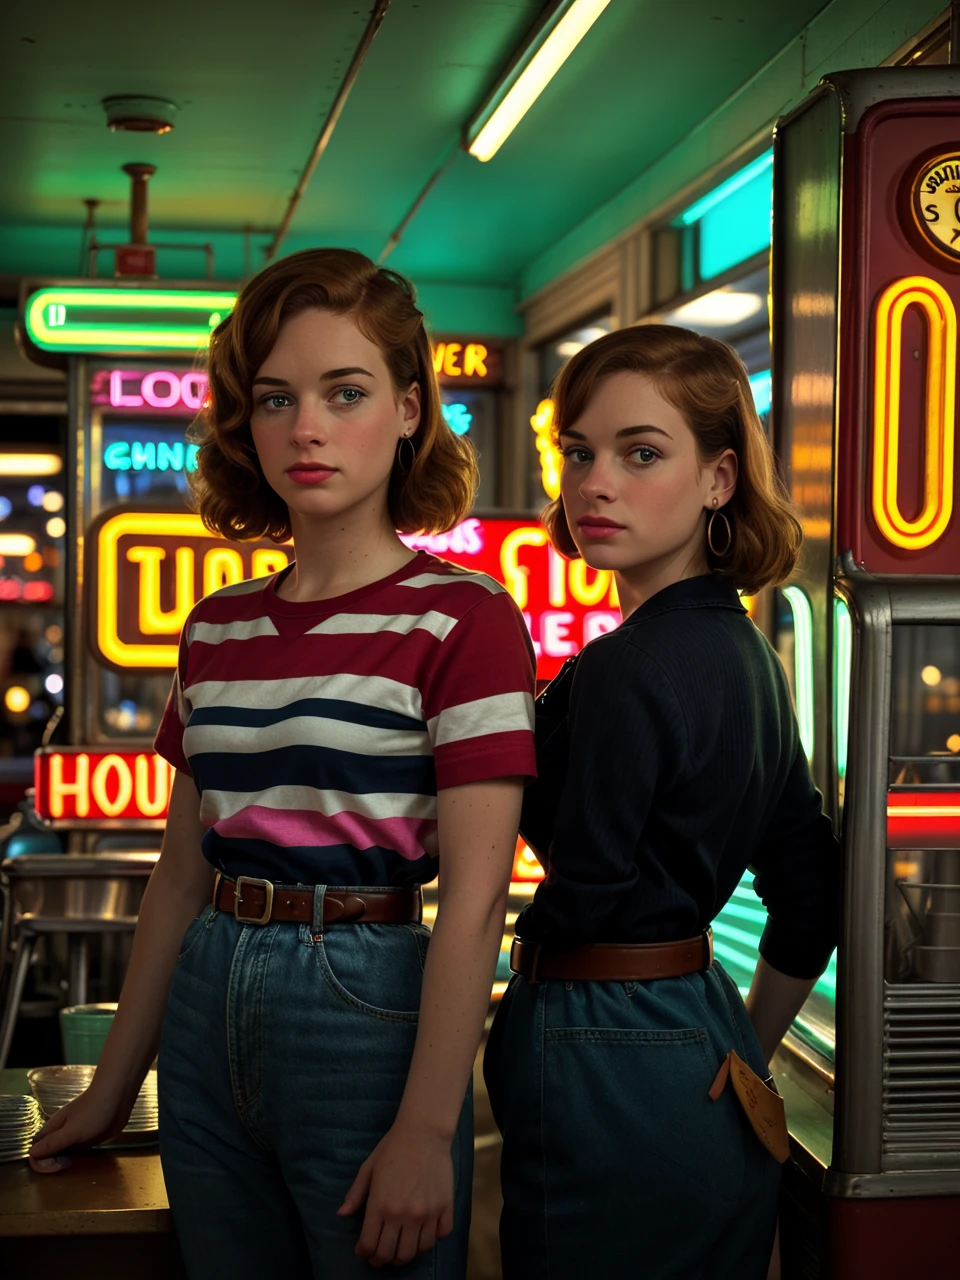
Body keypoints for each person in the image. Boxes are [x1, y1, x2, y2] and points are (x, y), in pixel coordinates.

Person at [30, 248, 537, 1279]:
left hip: (367, 995)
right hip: (208, 987)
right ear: (245, 421)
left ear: (407, 409)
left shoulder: (467, 617)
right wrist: (115, 1085)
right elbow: (179, 869)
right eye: (276, 397)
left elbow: (479, 900)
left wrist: (428, 1126)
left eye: (345, 392)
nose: (306, 426)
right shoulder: (216, 626)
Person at [484, 325, 839, 1280]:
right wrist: (744, 1055)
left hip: (595, 1033)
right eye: (580, 451)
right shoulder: (755, 662)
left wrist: (520, 998)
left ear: (721, 479)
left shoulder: (626, 667)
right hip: (704, 1028)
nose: (595, 483)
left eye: (643, 453)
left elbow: (585, 889)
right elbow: (812, 896)